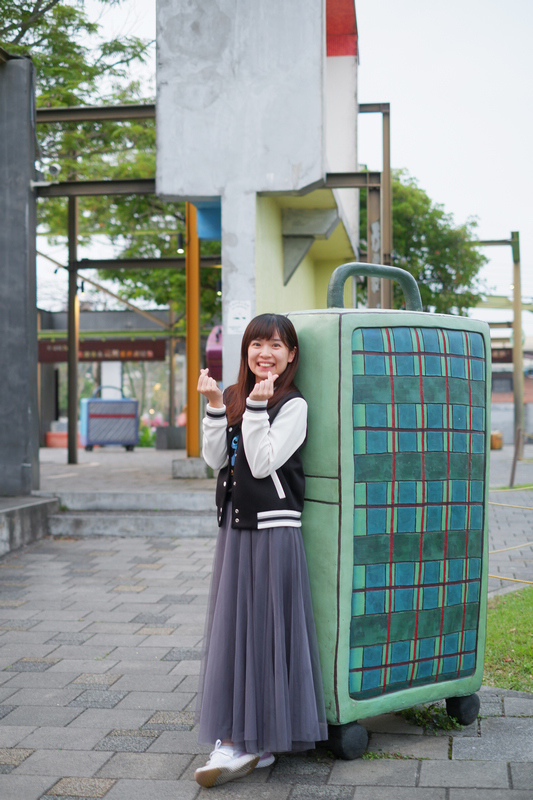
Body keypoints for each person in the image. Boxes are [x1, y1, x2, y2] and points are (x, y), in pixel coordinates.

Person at [194, 313, 327, 789]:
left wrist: (254, 408)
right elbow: (215, 460)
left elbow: (263, 459)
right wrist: (216, 405)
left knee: (266, 631)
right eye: (256, 343)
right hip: (235, 527)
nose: (264, 353)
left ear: (291, 354)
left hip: (274, 530)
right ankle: (242, 739)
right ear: (246, 350)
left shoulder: (293, 404)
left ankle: (254, 740)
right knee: (236, 629)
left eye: (275, 344)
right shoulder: (236, 396)